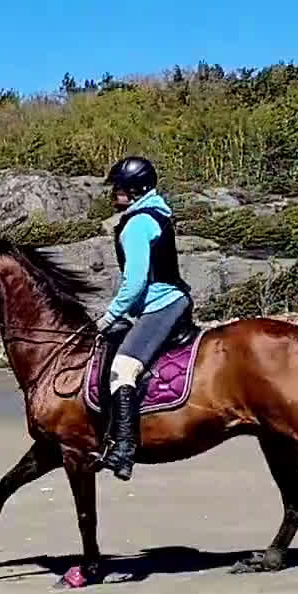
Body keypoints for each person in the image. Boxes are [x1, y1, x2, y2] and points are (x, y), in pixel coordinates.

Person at [91, 155, 192, 481]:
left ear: (134, 189)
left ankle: (124, 448)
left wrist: (110, 316)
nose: (113, 193)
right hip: (171, 301)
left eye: (118, 188)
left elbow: (135, 283)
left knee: (123, 368)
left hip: (161, 305)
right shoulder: (156, 214)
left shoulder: (136, 225)